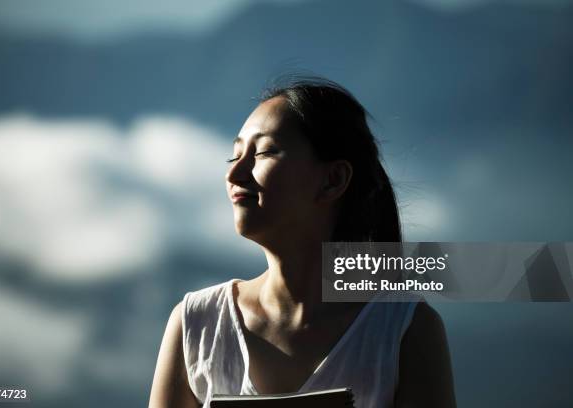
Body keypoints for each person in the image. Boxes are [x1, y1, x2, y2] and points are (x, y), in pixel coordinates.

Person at [148, 77, 456, 408]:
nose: (234, 173)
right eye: (234, 156)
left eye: (264, 151)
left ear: (333, 180)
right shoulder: (196, 324)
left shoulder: (404, 330)